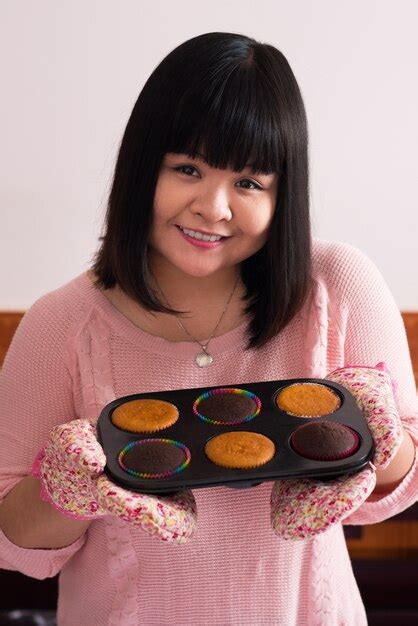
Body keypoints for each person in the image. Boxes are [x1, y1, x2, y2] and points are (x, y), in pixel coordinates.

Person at [0, 31, 417, 626]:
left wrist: (383, 442)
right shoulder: (60, 324)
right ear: (142, 168)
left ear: (283, 194)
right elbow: (14, 543)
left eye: (249, 182)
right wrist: (67, 492)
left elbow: (401, 483)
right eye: (188, 168)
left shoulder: (339, 286)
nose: (214, 207)